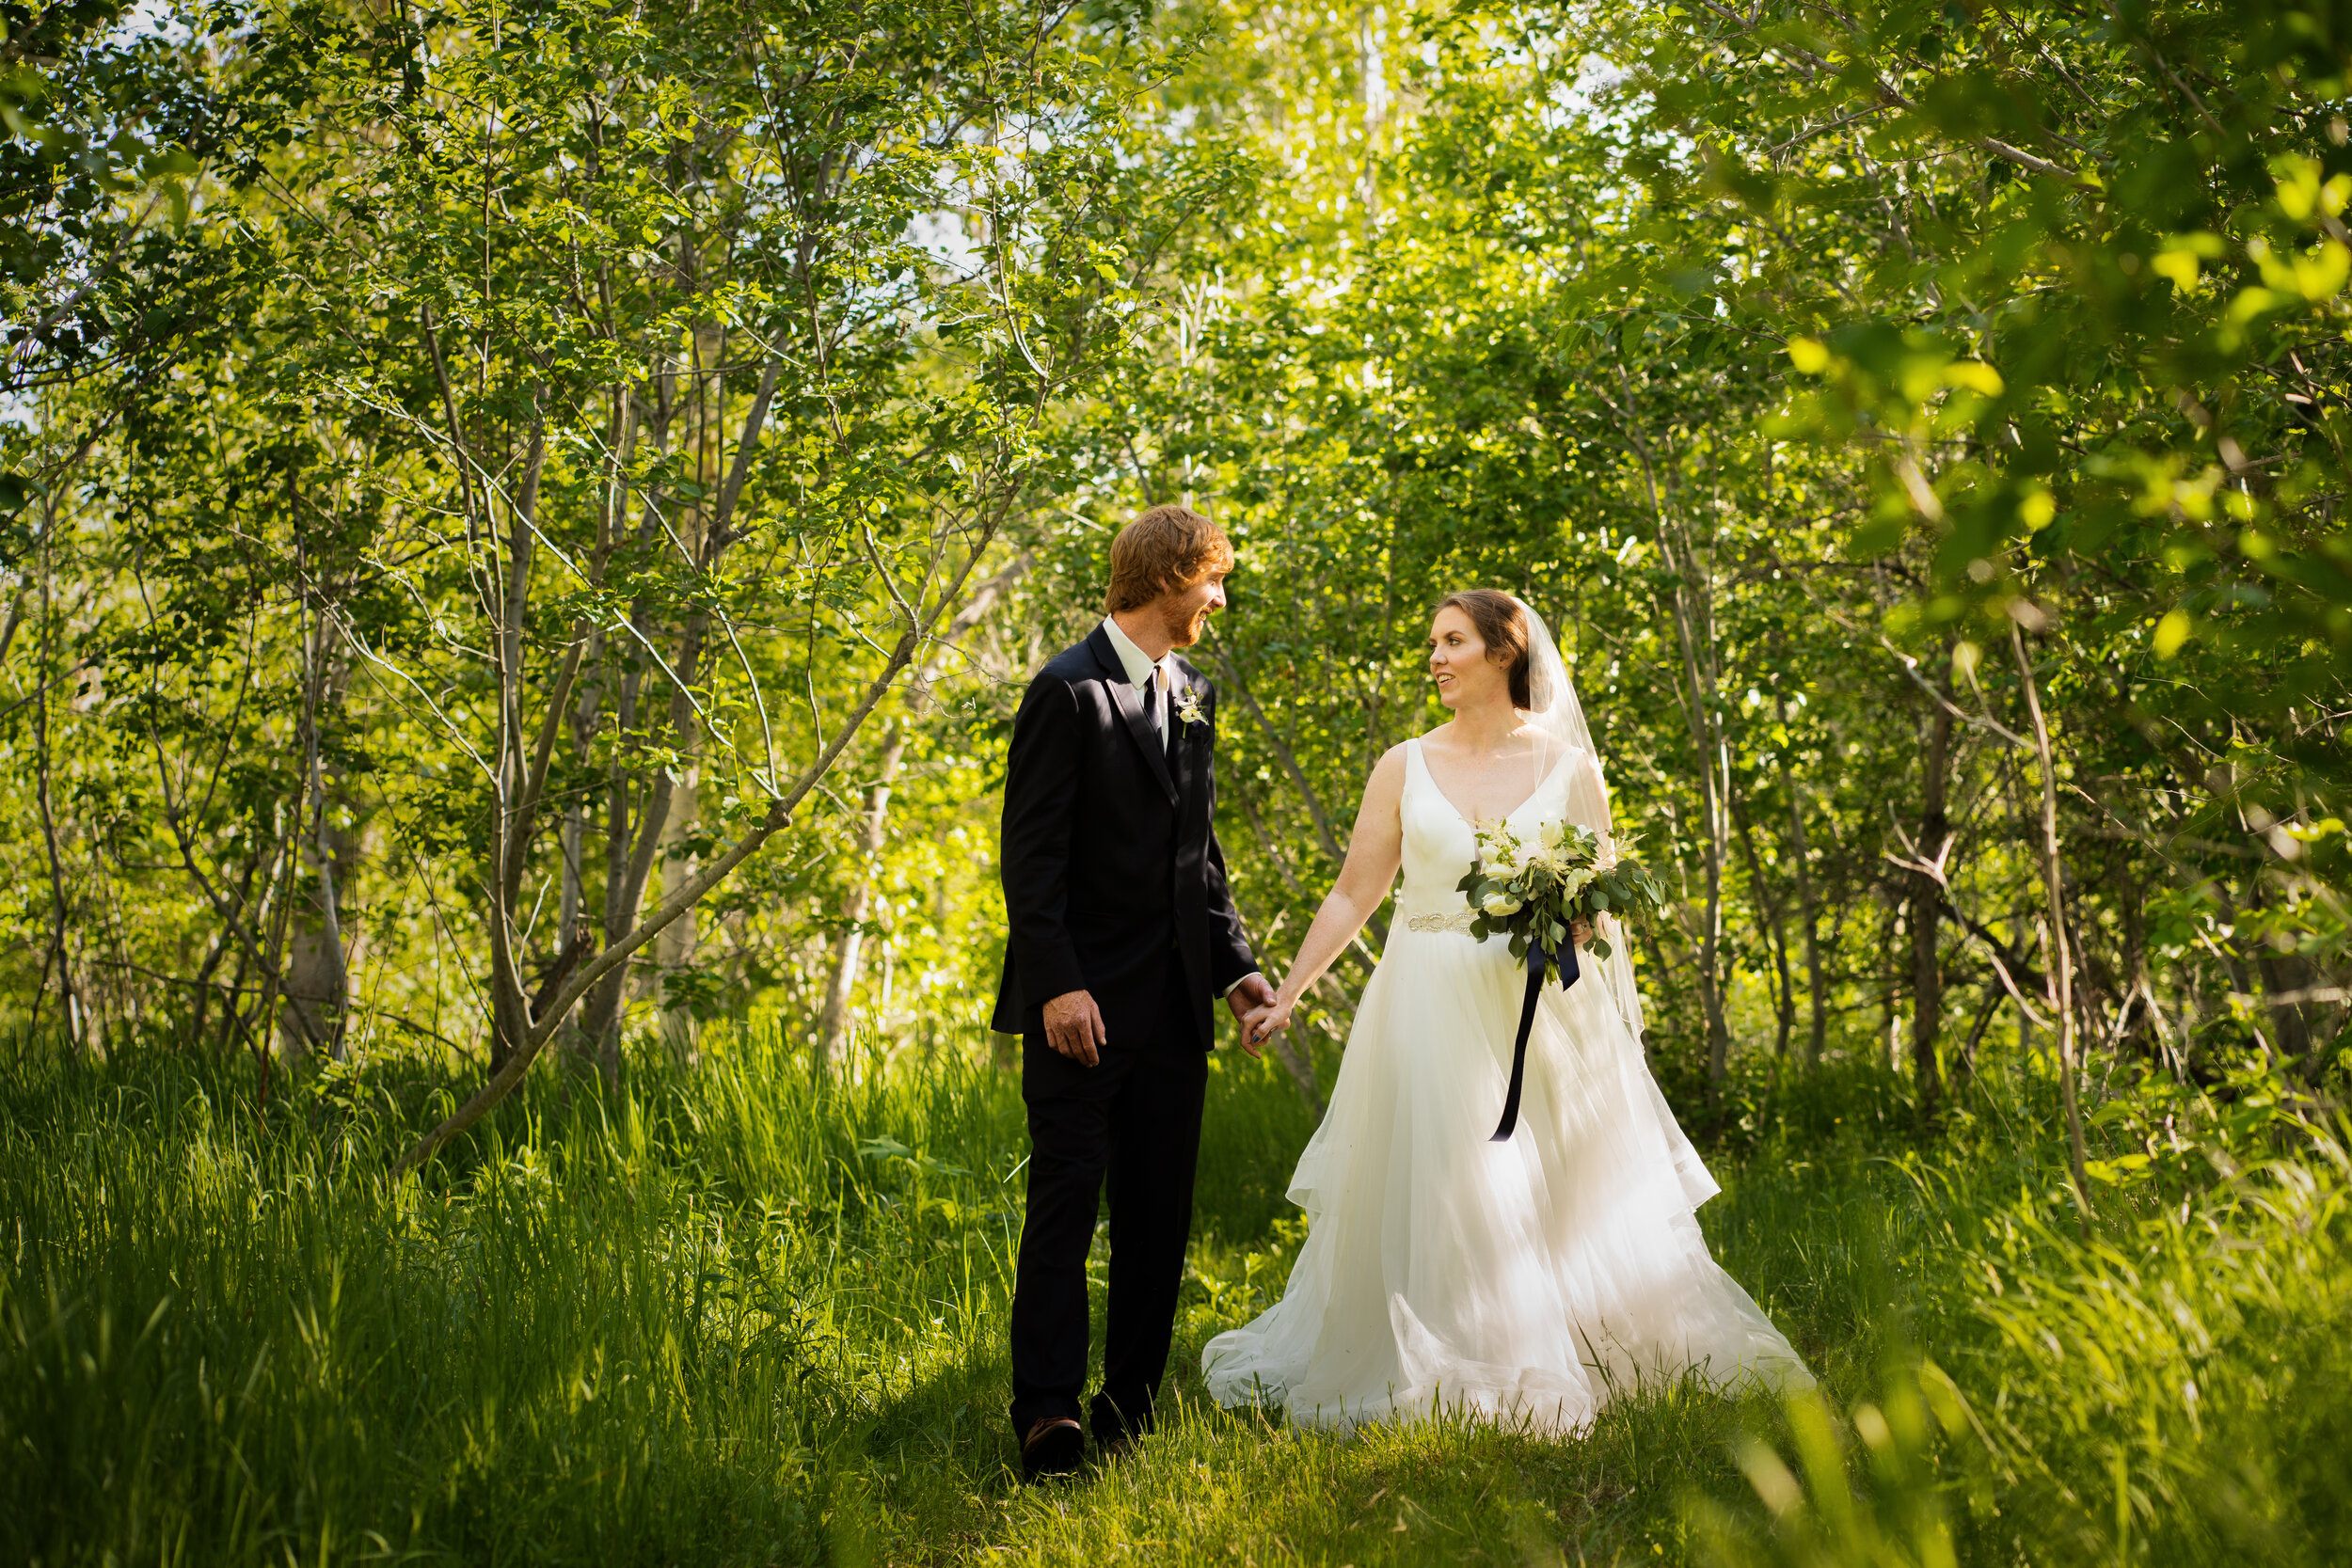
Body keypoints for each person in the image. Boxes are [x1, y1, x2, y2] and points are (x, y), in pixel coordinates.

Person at [1206, 589, 1812, 1433]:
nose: (1436, 658)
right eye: (1432, 643)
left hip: (1535, 1005)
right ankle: (1443, 1356)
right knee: (1447, 1180)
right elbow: (1354, 893)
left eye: (1453, 640)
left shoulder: (1569, 768)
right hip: (1422, 1000)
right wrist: (1292, 995)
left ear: (1504, 651)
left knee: (1543, 1184)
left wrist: (1566, 912)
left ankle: (1552, 1347)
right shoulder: (1402, 764)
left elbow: (1598, 906)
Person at [993, 504, 1279, 1480]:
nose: (1218, 598)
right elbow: (1028, 864)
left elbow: (1199, 858)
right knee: (1065, 1203)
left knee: (1158, 1211)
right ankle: (1046, 1412)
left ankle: (1129, 1404)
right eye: (1211, 578)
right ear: (1165, 577)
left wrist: (1237, 971)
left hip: (1172, 1011)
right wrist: (1057, 987)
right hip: (1077, 1014)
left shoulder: (1191, 690)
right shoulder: (1065, 691)